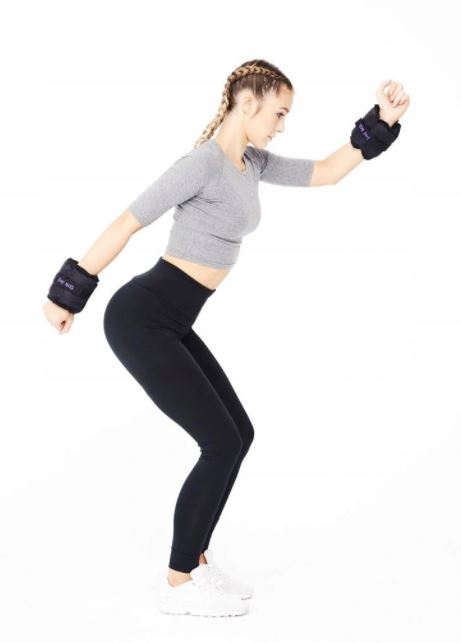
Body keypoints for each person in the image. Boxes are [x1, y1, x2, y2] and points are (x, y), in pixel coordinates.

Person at [42, 59, 410, 617]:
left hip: (172, 321)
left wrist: (381, 121)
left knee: (239, 434)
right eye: (279, 113)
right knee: (218, 441)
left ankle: (197, 560)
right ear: (248, 102)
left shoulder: (251, 163)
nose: (282, 125)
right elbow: (127, 223)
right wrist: (67, 294)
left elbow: (326, 171)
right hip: (141, 319)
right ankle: (178, 582)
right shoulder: (201, 165)